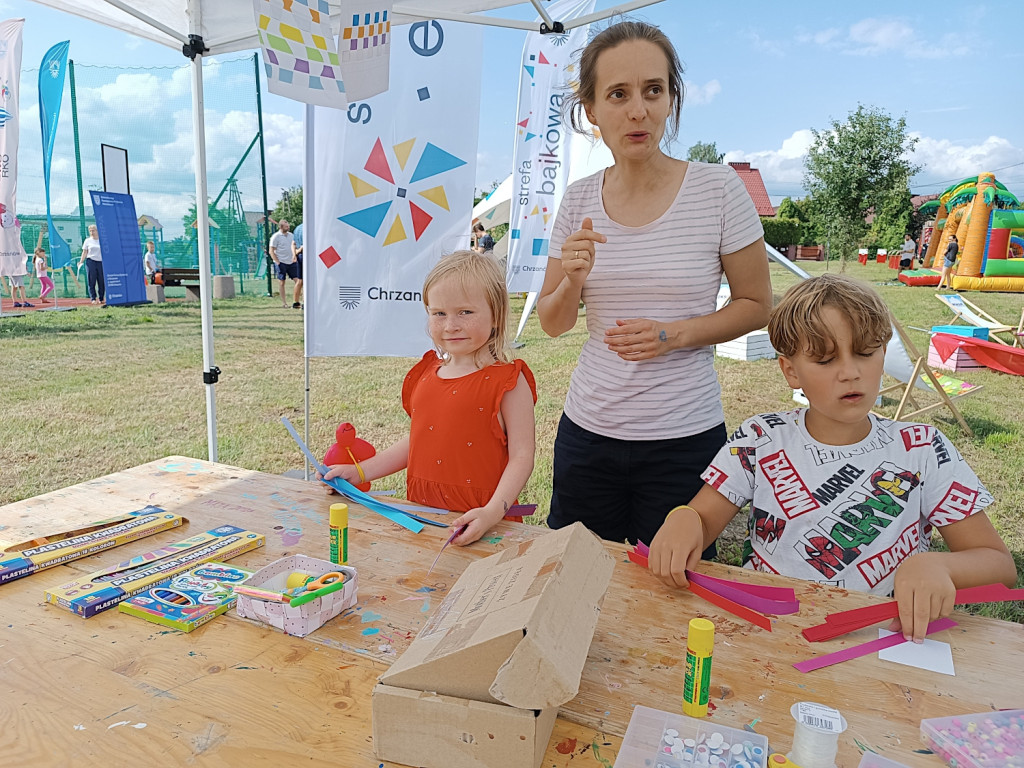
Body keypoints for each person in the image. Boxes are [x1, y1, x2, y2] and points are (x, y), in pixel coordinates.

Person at [648, 274, 1016, 643]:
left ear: (883, 355)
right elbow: (703, 520)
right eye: (825, 360)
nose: (850, 372)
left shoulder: (922, 448)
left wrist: (938, 566)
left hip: (885, 643)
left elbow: (1000, 567)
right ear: (790, 371)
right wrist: (685, 519)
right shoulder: (760, 439)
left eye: (865, 353)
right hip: (769, 637)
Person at [536, 20, 772, 552]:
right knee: (573, 575)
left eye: (653, 91)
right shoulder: (577, 199)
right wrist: (572, 279)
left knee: (672, 588)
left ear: (671, 99)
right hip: (588, 432)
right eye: (617, 94)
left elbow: (757, 305)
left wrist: (675, 334)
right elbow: (554, 324)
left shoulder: (717, 189)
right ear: (591, 110)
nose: (637, 110)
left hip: (684, 438)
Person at [320, 250, 537, 546]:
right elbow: (419, 441)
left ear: (496, 315)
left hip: (484, 523)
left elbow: (522, 457)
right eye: (439, 314)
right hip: (424, 517)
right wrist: (359, 472)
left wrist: (491, 513)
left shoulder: (509, 381)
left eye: (465, 312)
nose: (451, 325)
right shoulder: (426, 373)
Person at [267, 219, 301, 309]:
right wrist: (277, 262)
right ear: (281, 227)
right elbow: (271, 251)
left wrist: (295, 256)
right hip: (281, 262)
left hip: (292, 262)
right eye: (286, 226)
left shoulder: (291, 236)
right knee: (282, 282)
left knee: (298, 281)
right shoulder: (275, 237)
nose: (288, 227)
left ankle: (297, 301)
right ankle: (284, 302)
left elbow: (294, 246)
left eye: (288, 225)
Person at [80, 224, 105, 305]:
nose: (92, 232)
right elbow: (84, 252)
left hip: (100, 262)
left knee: (101, 280)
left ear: (97, 231)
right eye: (90, 231)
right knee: (91, 280)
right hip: (90, 261)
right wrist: (81, 261)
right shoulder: (87, 241)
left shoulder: (102, 240)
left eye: (93, 230)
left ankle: (101, 298)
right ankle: (93, 298)